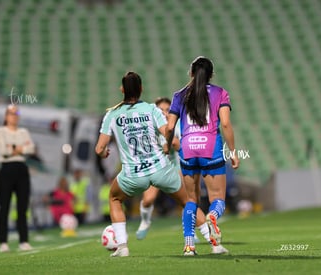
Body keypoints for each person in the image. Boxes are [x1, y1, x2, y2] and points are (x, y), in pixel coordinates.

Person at [95, 72, 216, 256]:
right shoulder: (152, 109)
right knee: (187, 201)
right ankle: (213, 242)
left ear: (122, 89)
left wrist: (104, 153)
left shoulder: (112, 114)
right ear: (141, 89)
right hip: (160, 169)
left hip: (133, 174)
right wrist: (166, 144)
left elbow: (99, 148)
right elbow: (167, 130)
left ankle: (122, 247)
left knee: (114, 198)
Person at [166, 56, 240, 254]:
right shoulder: (220, 93)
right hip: (211, 149)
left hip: (187, 149)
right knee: (218, 199)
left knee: (191, 201)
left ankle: (189, 245)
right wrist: (233, 152)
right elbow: (225, 124)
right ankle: (213, 216)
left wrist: (167, 145)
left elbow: (170, 126)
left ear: (191, 73)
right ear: (211, 75)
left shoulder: (179, 95)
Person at [136, 97, 216, 249]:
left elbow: (179, 146)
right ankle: (145, 221)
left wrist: (174, 142)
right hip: (156, 167)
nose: (165, 113)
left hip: (176, 165)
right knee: (148, 199)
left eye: (168, 110)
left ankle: (197, 233)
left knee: (187, 200)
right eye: (161, 110)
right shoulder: (149, 126)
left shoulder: (177, 124)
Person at [0, 104, 35, 252]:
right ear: (6, 116)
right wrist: (20, 148)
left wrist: (14, 148)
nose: (14, 116)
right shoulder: (0, 131)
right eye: (11, 114)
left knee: (22, 207)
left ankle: (23, 240)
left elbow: (31, 149)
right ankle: (3, 242)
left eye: (16, 114)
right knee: (4, 206)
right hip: (7, 169)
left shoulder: (24, 131)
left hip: (21, 169)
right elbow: (3, 150)